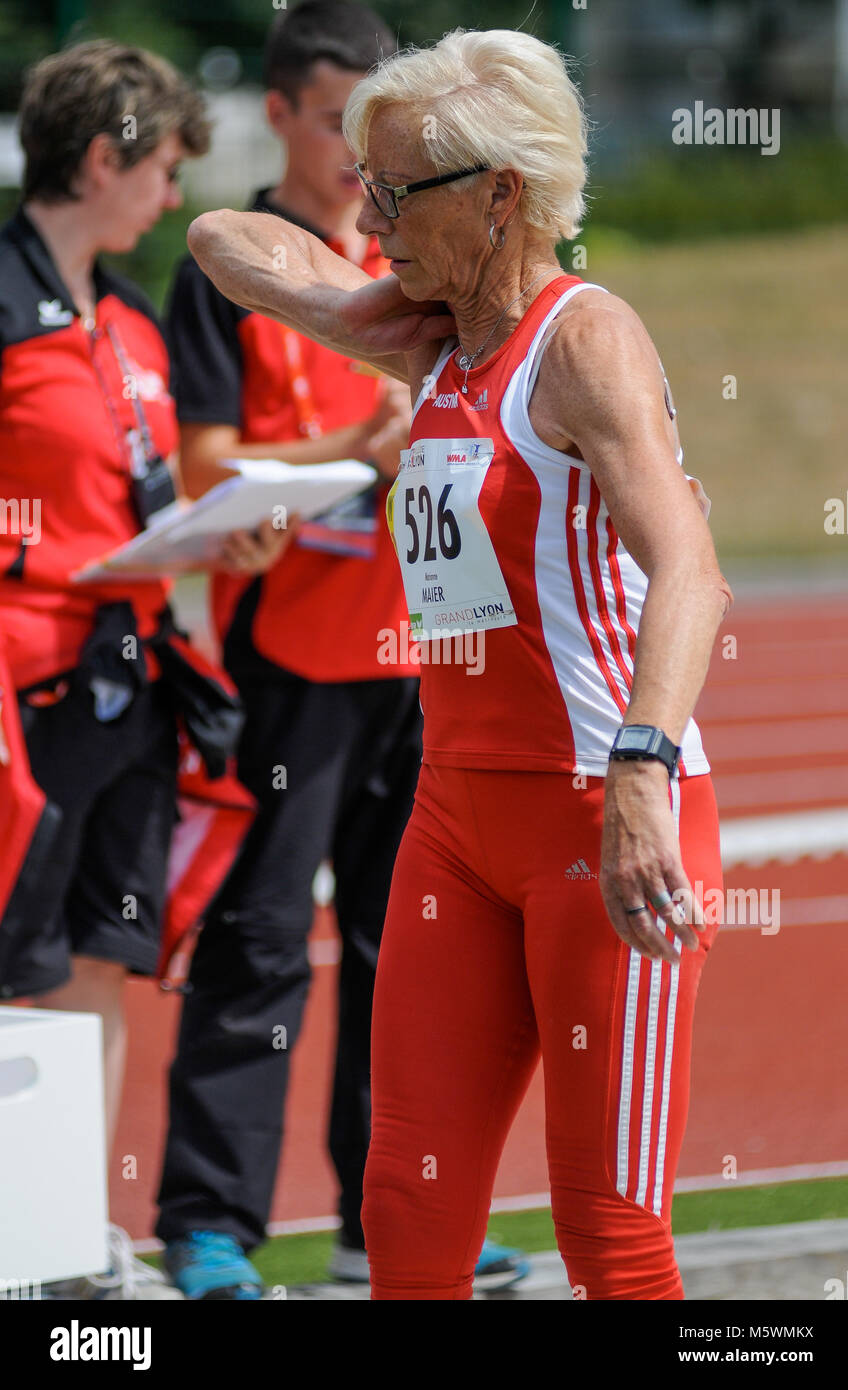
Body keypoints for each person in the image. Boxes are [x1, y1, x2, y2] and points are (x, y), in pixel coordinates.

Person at [188, 26, 735, 1301]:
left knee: (608, 1228)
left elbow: (692, 571)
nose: (366, 213)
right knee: (406, 1206)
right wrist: (342, 303)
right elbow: (224, 241)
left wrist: (644, 767)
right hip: (454, 821)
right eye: (361, 184)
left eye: (395, 191)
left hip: (603, 811)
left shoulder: (583, 341)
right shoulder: (429, 338)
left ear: (502, 193)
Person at [155, 2, 529, 1298]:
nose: (360, 163)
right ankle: (210, 1223)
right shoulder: (251, 273)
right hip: (294, 664)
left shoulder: (421, 265)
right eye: (338, 128)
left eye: (387, 141)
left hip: (420, 665)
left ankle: (396, 1219)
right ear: (282, 114)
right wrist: (343, 459)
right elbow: (203, 466)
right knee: (260, 943)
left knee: (411, 954)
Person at [0, 39, 211, 1298]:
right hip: (22, 682)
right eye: (167, 165)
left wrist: (214, 525)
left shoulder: (133, 320)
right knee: (14, 966)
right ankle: (11, 1239)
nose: (176, 194)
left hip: (133, 670)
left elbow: (139, 484)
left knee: (100, 954)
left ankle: (73, 1236)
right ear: (102, 158)